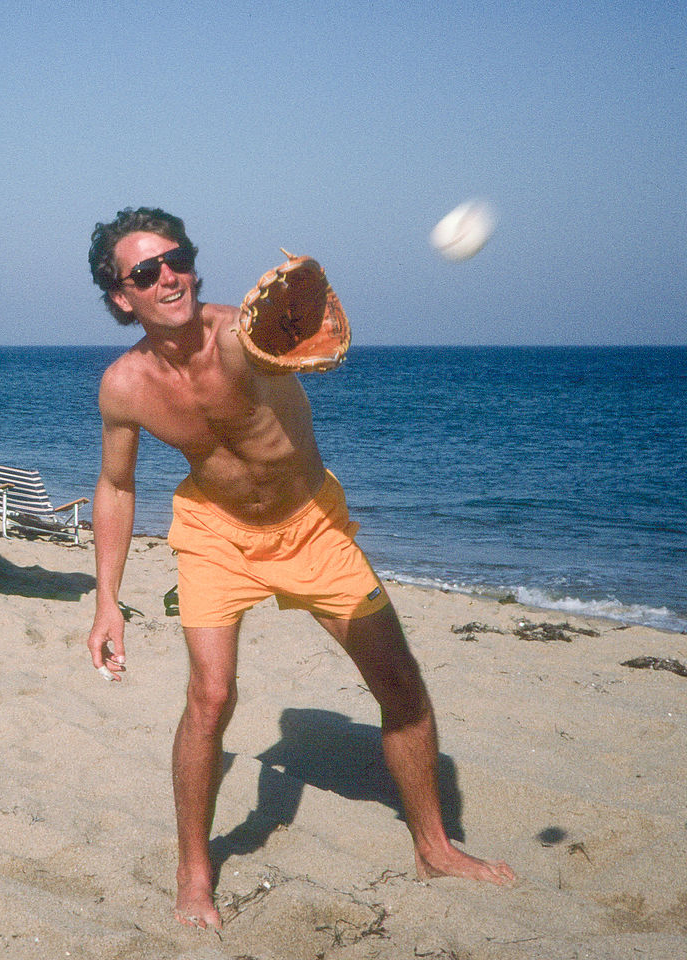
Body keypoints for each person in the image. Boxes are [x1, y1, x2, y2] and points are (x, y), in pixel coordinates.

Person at [84, 207, 515, 930]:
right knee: (210, 697)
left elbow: (270, 345)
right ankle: (194, 873)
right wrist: (106, 601)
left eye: (178, 259)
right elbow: (116, 486)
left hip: (311, 525)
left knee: (399, 682)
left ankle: (435, 847)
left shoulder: (237, 337)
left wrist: (291, 321)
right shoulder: (124, 386)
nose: (170, 278)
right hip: (216, 533)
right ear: (121, 296)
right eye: (147, 272)